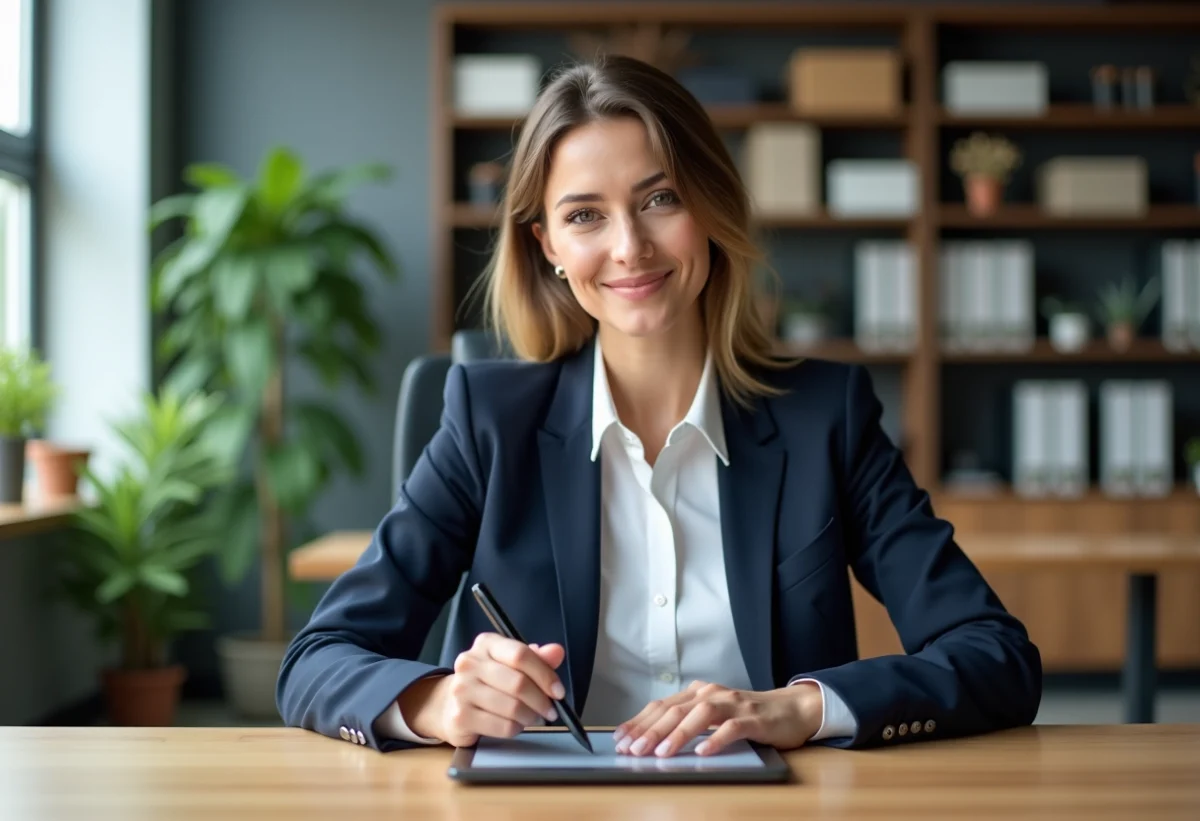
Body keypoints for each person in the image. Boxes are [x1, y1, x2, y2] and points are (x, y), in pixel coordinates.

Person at [276, 54, 1042, 758]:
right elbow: (317, 660)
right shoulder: (488, 420)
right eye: (585, 216)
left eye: (660, 199)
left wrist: (804, 707)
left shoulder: (825, 416)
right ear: (547, 245)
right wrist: (439, 701)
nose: (630, 247)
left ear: (711, 208)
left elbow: (994, 654)